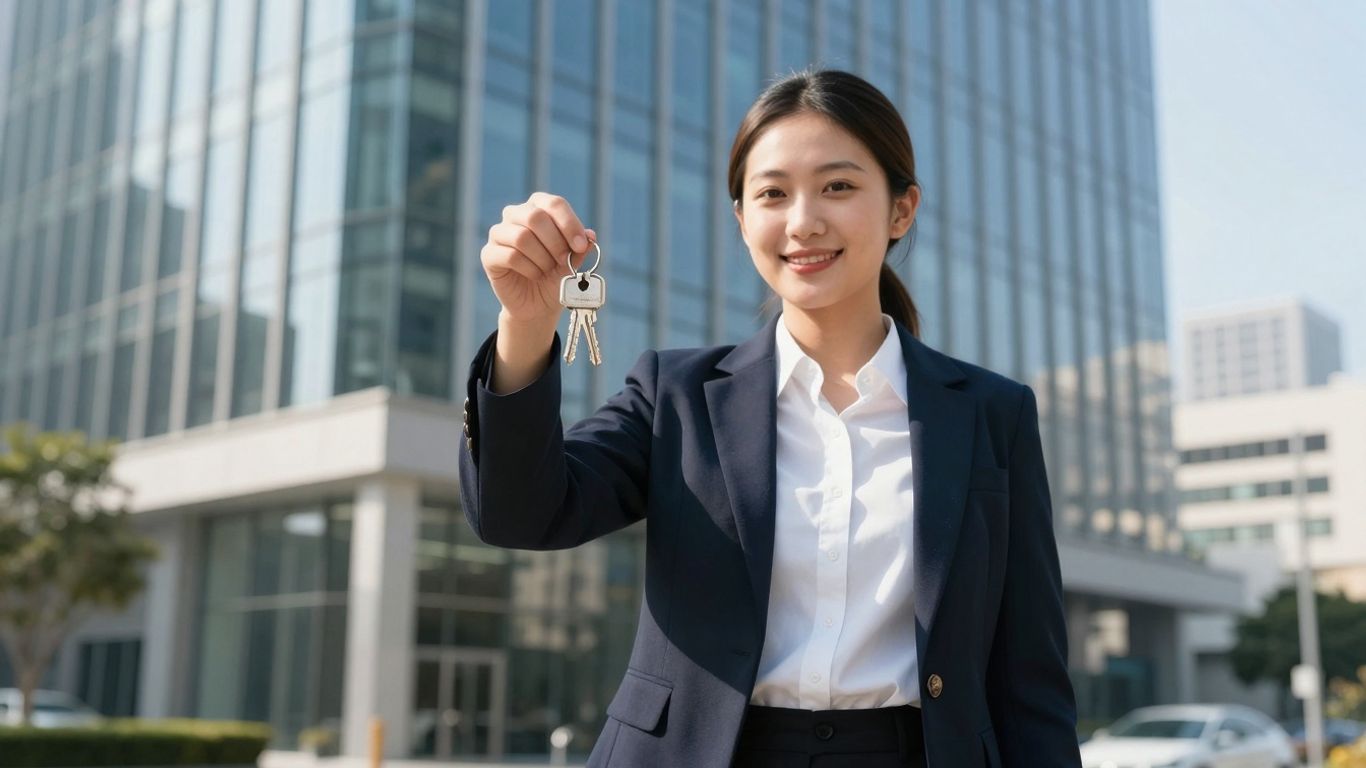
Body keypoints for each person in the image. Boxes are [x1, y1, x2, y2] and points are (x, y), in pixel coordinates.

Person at [459, 69, 1081, 768]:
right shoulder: (677, 395)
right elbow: (518, 514)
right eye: (773, 194)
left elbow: (1031, 679)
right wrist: (526, 325)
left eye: (838, 187)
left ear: (902, 210)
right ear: (741, 219)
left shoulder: (993, 414)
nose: (803, 220)